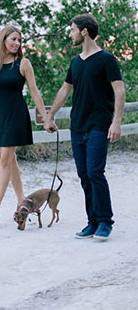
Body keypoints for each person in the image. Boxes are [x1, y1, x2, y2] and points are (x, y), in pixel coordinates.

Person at [44, 14, 125, 241]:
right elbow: (64, 90)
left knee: (95, 172)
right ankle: (92, 221)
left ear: (84, 31)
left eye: (72, 30)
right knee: (84, 175)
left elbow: (119, 90)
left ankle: (105, 222)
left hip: (99, 124)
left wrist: (116, 122)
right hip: (77, 125)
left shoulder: (106, 59)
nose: (70, 34)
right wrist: (50, 117)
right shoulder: (75, 62)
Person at [0, 25, 48, 229]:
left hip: (15, 115)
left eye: (19, 40)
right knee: (10, 161)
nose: (17, 43)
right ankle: (22, 204)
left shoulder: (23, 63)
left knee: (4, 160)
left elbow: (34, 92)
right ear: (3, 40)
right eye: (13, 39)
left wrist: (45, 118)